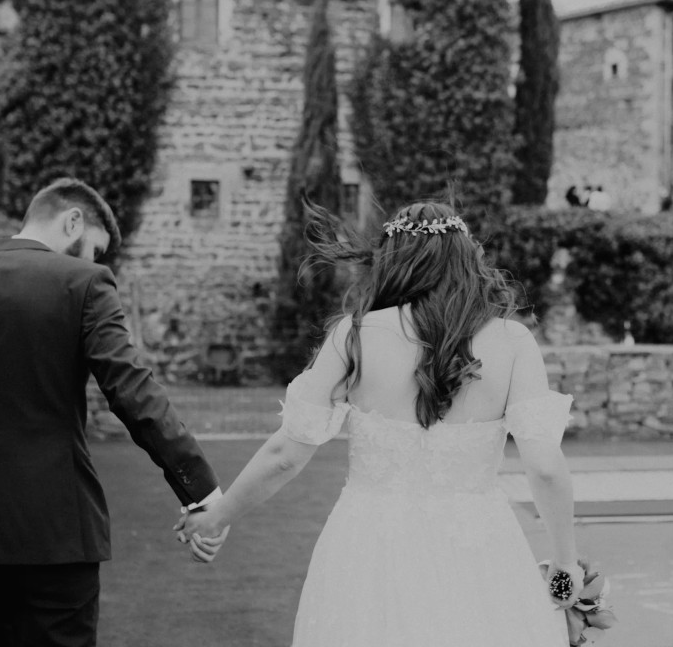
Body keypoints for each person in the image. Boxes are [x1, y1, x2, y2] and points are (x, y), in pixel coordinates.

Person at [178, 200, 583, 646]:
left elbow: (285, 456)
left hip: (370, 546)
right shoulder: (512, 341)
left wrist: (218, 517)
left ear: (392, 262)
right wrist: (565, 570)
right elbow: (545, 468)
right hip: (478, 544)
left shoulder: (354, 335)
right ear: (468, 260)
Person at [0, 178, 226, 647]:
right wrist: (202, 493)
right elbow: (133, 392)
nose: (94, 263)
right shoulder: (85, 284)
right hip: (57, 537)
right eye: (94, 249)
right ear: (72, 220)